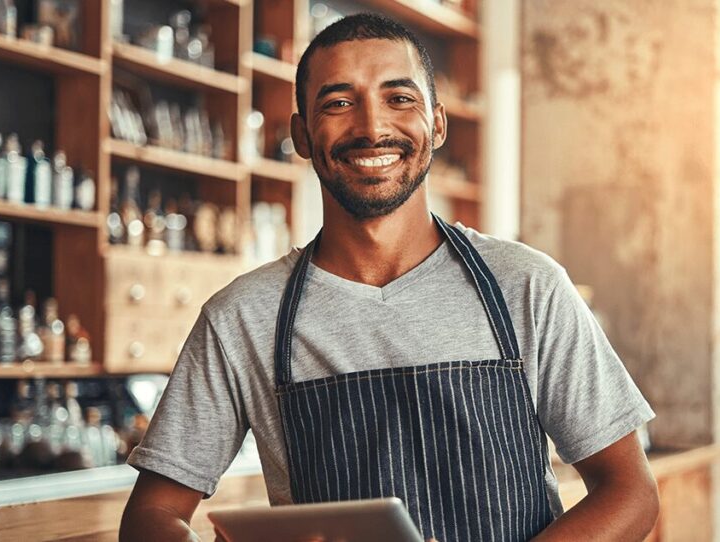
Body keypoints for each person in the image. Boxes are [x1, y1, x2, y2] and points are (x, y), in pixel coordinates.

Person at [119, 13, 659, 542]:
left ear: (438, 124)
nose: (372, 127)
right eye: (338, 103)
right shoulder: (241, 318)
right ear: (303, 135)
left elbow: (630, 490)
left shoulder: (528, 287)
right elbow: (153, 514)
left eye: (399, 99)